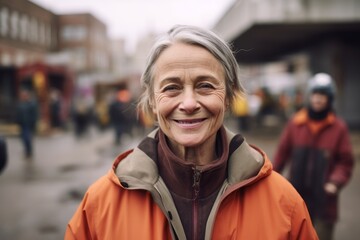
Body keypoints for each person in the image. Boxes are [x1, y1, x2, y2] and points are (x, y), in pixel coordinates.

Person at [65, 25, 318, 240]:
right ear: (152, 100)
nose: (188, 103)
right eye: (172, 88)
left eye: (205, 86)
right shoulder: (100, 205)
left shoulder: (284, 203)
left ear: (228, 97)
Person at [273, 73, 354, 240]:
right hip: (295, 198)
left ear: (330, 98)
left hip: (325, 203)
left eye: (323, 95)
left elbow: (345, 162)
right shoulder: (296, 123)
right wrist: (272, 177)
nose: (318, 99)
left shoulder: (339, 127)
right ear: (310, 96)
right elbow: (281, 154)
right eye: (315, 94)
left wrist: (334, 181)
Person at [16, 89, 38, 159]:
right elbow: (18, 114)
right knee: (23, 138)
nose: (23, 97)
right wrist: (18, 121)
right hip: (22, 124)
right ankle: (26, 151)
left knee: (27, 138)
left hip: (29, 124)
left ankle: (29, 151)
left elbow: (34, 114)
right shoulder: (20, 105)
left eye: (24, 95)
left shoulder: (31, 104)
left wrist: (33, 123)